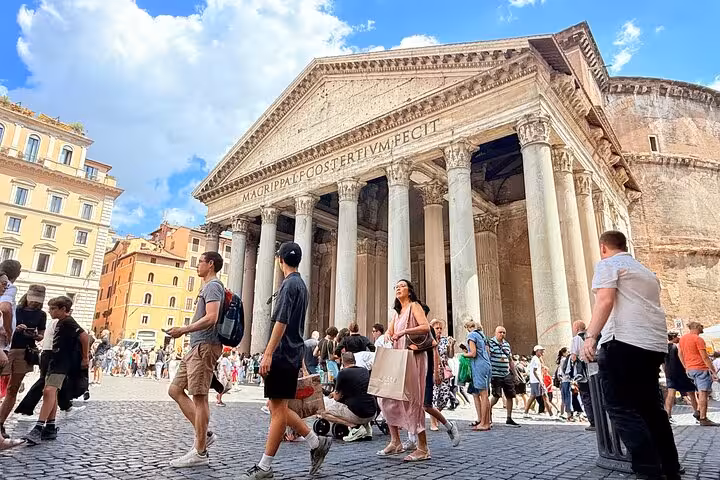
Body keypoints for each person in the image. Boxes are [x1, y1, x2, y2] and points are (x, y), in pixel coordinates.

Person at [581, 230, 681, 479]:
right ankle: (670, 467)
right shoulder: (647, 273)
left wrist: (591, 336)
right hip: (653, 345)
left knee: (620, 407)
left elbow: (604, 301)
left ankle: (647, 470)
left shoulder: (609, 265)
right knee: (651, 409)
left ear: (603, 247)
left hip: (623, 341)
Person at [240, 242, 331, 479]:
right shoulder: (301, 285)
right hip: (291, 353)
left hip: (281, 354)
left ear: (280, 260)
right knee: (275, 406)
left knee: (278, 411)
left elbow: (281, 321)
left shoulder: (287, 285)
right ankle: (314, 442)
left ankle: (265, 466)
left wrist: (268, 353)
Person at [165, 251, 226, 468]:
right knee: (175, 389)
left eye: (200, 261)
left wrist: (184, 329)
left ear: (210, 264)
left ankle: (199, 452)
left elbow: (212, 317)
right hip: (196, 346)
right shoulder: (207, 286)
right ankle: (204, 435)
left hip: (204, 346)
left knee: (200, 398)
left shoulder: (213, 286)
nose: (196, 265)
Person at [23, 296, 89, 445]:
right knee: (52, 392)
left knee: (49, 391)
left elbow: (85, 337)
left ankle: (38, 428)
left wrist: (85, 358)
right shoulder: (60, 322)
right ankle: (50, 427)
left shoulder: (69, 321)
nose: (50, 311)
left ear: (63, 310)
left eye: (53, 308)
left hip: (62, 363)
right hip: (55, 361)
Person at [376, 279, 431, 462]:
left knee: (412, 400)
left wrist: (405, 331)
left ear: (410, 290)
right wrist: (387, 335)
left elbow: (425, 327)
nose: (398, 288)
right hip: (398, 358)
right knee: (386, 396)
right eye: (396, 287)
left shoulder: (414, 306)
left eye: (402, 286)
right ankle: (395, 441)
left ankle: (423, 448)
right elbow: (390, 332)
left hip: (413, 358)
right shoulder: (397, 314)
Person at [0, 286, 47, 440]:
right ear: (27, 296)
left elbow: (41, 335)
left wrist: (35, 335)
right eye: (32, 300)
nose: (34, 304)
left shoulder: (41, 315)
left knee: (13, 388)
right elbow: (5, 327)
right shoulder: (15, 309)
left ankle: (0, 422)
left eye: (37, 302)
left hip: (25, 351)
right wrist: (16, 329)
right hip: (8, 348)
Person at [322, 352, 377, 442]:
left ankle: (355, 427)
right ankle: (367, 428)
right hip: (372, 413)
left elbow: (336, 398)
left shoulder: (342, 373)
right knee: (361, 400)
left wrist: (333, 394)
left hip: (358, 415)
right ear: (354, 360)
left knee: (322, 410)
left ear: (343, 362)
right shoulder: (365, 371)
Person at [424, 318, 460, 445]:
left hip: (444, 371)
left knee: (444, 398)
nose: (439, 330)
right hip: (432, 370)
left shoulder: (444, 340)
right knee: (432, 398)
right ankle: (434, 422)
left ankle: (438, 416)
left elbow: (450, 355)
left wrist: (451, 346)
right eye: (437, 328)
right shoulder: (429, 339)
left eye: (440, 328)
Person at [678, 322, 718, 426]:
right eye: (701, 326)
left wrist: (686, 366)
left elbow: (680, 354)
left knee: (701, 391)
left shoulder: (683, 339)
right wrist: (713, 371)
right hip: (701, 368)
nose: (702, 328)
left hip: (690, 369)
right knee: (703, 393)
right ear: (696, 327)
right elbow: (704, 357)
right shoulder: (698, 339)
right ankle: (703, 418)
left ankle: (699, 411)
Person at [488, 325, 520, 427]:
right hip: (495, 373)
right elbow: (488, 357)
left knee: (510, 395)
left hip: (506, 373)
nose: (502, 334)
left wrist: (515, 374)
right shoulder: (490, 343)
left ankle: (509, 418)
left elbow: (510, 360)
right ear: (495, 333)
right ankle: (488, 414)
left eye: (504, 332)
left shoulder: (506, 344)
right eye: (500, 332)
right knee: (496, 396)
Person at [463, 320, 492, 431]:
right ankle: (487, 422)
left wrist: (464, 354)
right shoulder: (482, 336)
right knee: (486, 395)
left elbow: (473, 353)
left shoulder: (471, 335)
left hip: (479, 366)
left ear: (469, 327)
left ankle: (483, 424)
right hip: (487, 365)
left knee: (483, 395)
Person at [664, 332, 699, 423]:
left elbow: (664, 363)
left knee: (670, 394)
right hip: (681, 374)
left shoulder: (665, 348)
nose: (679, 337)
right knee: (692, 393)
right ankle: (697, 414)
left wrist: (666, 373)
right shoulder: (676, 347)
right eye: (678, 336)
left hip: (670, 374)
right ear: (673, 337)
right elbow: (681, 359)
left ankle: (668, 415)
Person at [0, 260, 22, 400]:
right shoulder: (11, 288)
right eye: (3, 284)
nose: (5, 286)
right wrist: (8, 331)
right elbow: (6, 308)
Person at [570, 320, 594, 430]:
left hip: (583, 374)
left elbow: (574, 356)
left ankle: (593, 421)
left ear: (576, 329)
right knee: (596, 395)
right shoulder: (592, 337)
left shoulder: (576, 339)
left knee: (586, 397)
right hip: (594, 371)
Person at [523, 345, 556, 419]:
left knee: (533, 396)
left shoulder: (536, 359)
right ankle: (551, 414)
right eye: (541, 350)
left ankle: (526, 412)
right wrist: (540, 381)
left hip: (534, 381)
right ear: (536, 351)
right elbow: (535, 371)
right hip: (537, 381)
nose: (542, 352)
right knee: (545, 396)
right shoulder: (535, 359)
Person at [556, 347, 574, 421]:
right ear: (564, 353)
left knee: (565, 397)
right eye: (567, 351)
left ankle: (564, 413)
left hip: (564, 381)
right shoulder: (564, 360)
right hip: (567, 380)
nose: (569, 352)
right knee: (568, 398)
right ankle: (569, 414)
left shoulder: (561, 360)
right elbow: (566, 370)